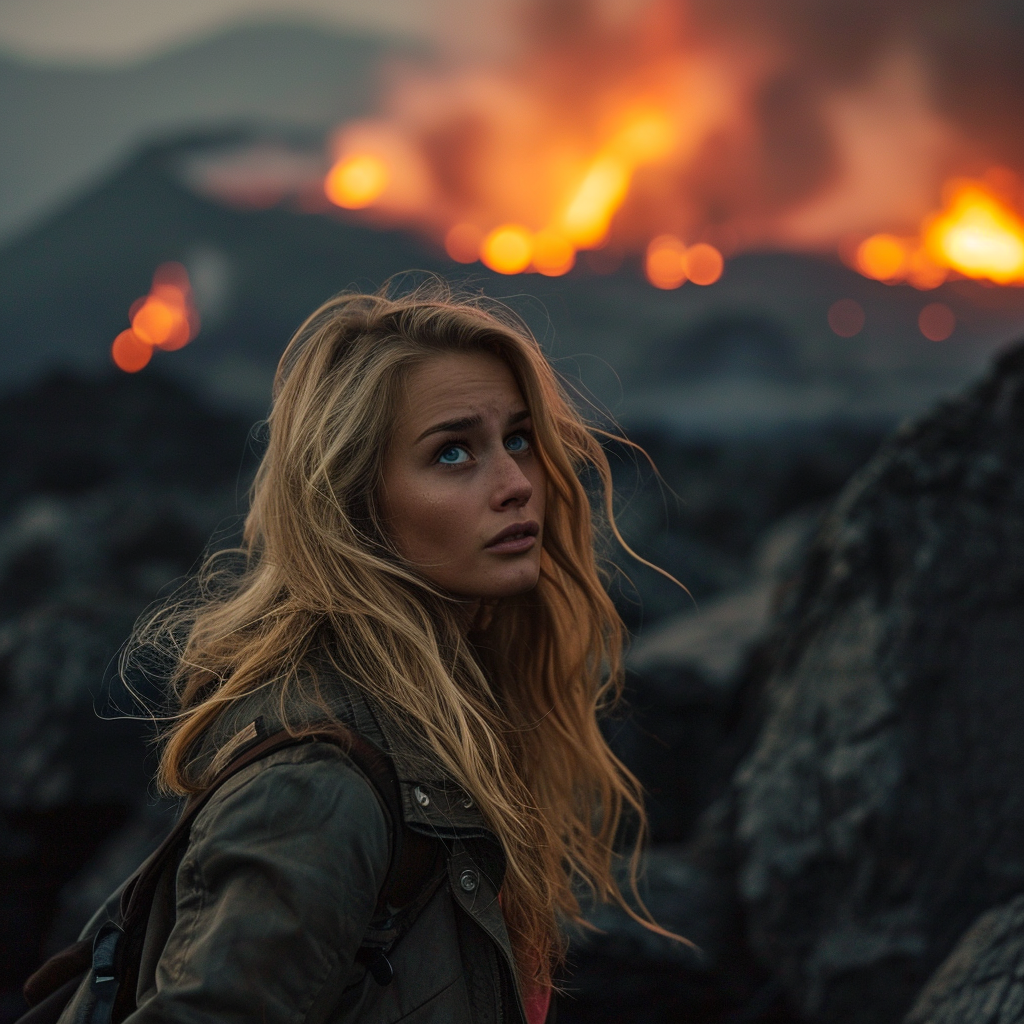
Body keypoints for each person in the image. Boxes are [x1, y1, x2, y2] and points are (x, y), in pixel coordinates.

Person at [70, 283, 677, 1024]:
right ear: (355, 505)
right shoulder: (316, 784)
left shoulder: (454, 711)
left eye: (518, 438)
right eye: (453, 453)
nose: (517, 484)